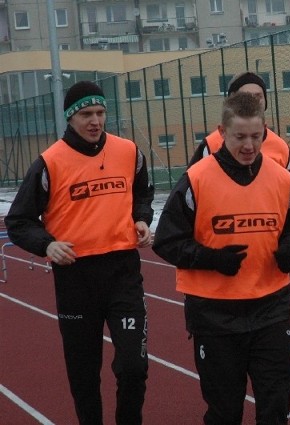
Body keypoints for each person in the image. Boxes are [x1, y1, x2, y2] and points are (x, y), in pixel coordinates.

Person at [152, 92, 290, 425]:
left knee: (275, 407)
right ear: (222, 132)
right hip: (214, 313)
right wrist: (211, 258)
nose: (249, 145)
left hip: (271, 308)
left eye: (256, 136)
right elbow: (166, 240)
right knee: (225, 412)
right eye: (240, 136)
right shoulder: (196, 179)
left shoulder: (281, 178)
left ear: (265, 130)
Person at [4, 81, 154, 425]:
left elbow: (143, 192)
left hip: (123, 273)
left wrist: (142, 219)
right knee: (85, 377)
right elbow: (19, 220)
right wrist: (48, 245)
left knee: (134, 366)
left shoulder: (129, 151)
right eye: (86, 114)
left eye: (101, 113)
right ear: (71, 118)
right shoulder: (49, 162)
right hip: (76, 280)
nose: (95, 121)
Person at [188, 71, 290, 175]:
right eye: (246, 96)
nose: (253, 101)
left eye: (258, 96)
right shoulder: (211, 145)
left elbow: (289, 189)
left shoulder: (281, 147)